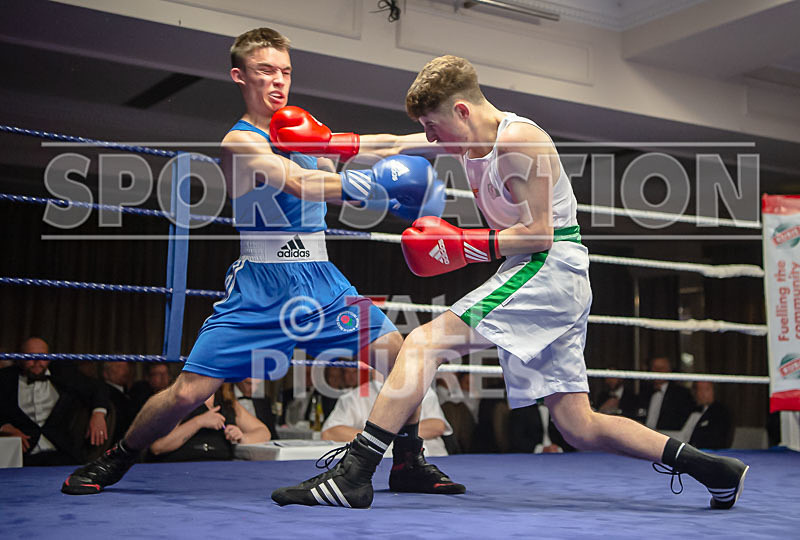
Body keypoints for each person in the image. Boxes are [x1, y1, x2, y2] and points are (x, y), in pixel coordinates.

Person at [270, 55, 749, 509]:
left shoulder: (520, 141)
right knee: (578, 426)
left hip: (547, 266)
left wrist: (462, 243)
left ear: (461, 109)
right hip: (542, 273)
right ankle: (714, 469)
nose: (432, 140)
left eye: (434, 126)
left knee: (421, 344)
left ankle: (355, 474)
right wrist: (334, 144)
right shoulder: (465, 137)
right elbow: (396, 144)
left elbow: (539, 232)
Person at [60, 27, 459, 497]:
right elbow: (297, 184)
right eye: (265, 70)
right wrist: (380, 187)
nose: (278, 81)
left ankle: (408, 461)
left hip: (323, 281)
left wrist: (446, 137)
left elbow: (383, 142)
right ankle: (115, 458)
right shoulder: (240, 142)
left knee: (404, 356)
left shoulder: (309, 130)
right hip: (261, 286)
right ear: (239, 75)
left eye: (285, 71)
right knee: (189, 392)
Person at [0, 337, 110, 465]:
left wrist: (98, 414)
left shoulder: (64, 373)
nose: (37, 362)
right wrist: (3, 426)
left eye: (42, 356)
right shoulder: (5, 378)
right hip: (20, 455)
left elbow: (98, 388)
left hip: (61, 452)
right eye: (30, 357)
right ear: (19, 358)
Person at [322, 369, 451, 457]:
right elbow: (330, 432)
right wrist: (379, 440)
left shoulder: (422, 390)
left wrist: (383, 438)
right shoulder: (353, 397)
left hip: (430, 459)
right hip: (374, 463)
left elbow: (437, 425)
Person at [149, 383, 269, 461]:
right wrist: (199, 422)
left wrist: (241, 437)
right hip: (182, 467)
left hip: (221, 471)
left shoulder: (228, 401)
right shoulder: (180, 400)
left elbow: (263, 432)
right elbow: (158, 446)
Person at [639, 357, 695, 431]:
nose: (658, 371)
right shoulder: (645, 392)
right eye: (655, 367)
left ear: (669, 370)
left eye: (662, 368)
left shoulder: (681, 394)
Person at [680, 381, 733, 450]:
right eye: (699, 390)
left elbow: (717, 440)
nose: (702, 393)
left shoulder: (721, 412)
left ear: (714, 391)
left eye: (706, 389)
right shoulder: (693, 410)